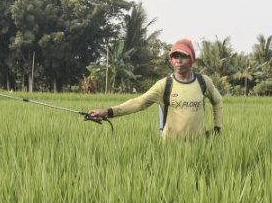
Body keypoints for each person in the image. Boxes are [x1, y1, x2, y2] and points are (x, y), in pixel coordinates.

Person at [88, 39, 223, 139]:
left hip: (199, 145)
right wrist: (108, 112)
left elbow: (217, 101)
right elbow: (139, 103)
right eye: (175, 57)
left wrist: (217, 127)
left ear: (191, 59)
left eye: (184, 56)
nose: (179, 61)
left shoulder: (203, 82)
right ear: (171, 60)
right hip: (171, 148)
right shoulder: (165, 84)